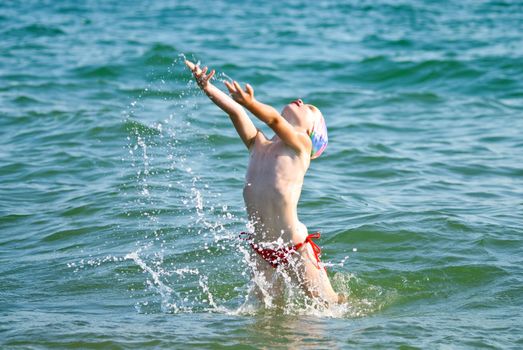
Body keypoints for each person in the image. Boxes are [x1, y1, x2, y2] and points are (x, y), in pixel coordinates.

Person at [185, 60, 344, 305]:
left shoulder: (301, 146)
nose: (301, 101)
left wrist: (251, 103)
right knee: (264, 321)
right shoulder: (257, 144)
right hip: (261, 252)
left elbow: (275, 122)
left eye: (310, 108)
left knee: (330, 307)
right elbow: (235, 112)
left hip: (296, 249)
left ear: (312, 132)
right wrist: (207, 88)